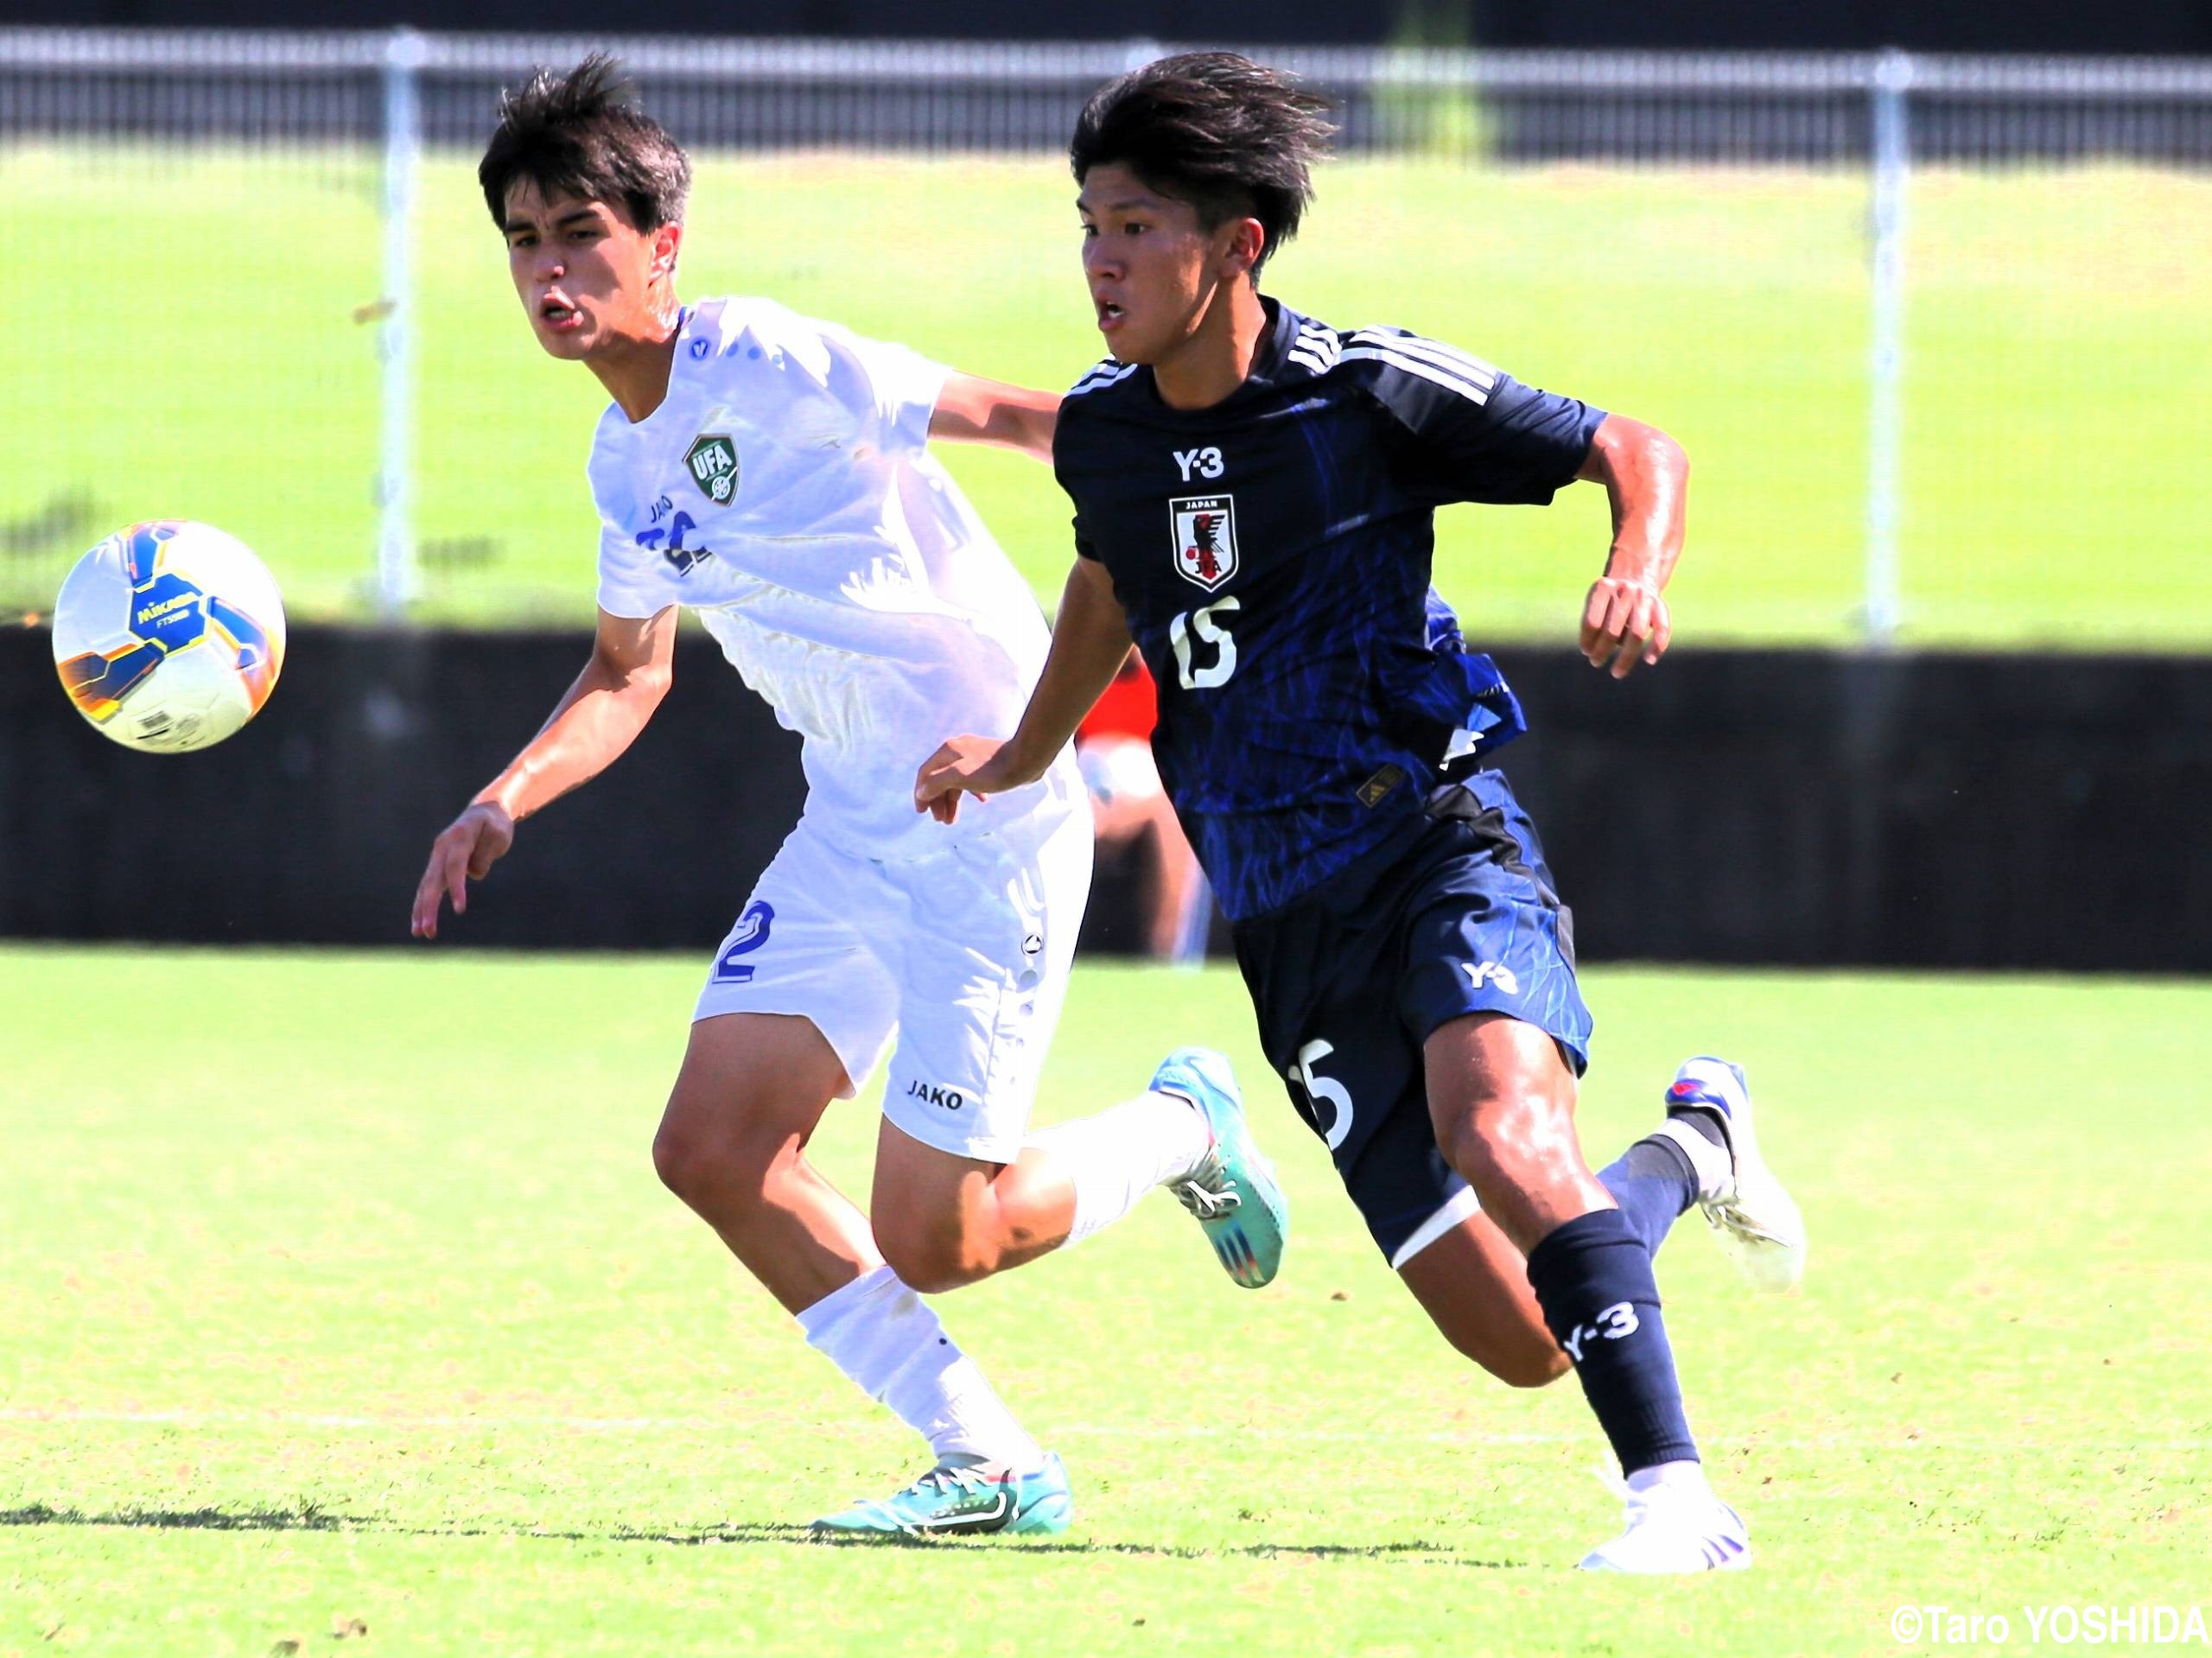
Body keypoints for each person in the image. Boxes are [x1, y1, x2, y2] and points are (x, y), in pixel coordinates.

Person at [915, 52, 1806, 1572]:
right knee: (1526, 1337)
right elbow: (1114, 583)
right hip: (1287, 921)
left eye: (1136, 226)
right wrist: (1020, 749)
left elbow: (1630, 445)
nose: (1103, 260)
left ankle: (1676, 1498)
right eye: (1089, 225)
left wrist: (1635, 562)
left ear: (1237, 244)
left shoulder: (1363, 388)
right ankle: (1691, 1149)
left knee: (1507, 1128)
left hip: (1435, 839)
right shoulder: (1104, 431)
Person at [408, 55, 1288, 1539]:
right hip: (851, 821)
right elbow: (629, 674)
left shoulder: (768, 357)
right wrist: (501, 797)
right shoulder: (620, 469)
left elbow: (1017, 416)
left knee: (948, 1230)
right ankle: (991, 1461)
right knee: (711, 1150)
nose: (549, 271)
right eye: (522, 240)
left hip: (991, 805)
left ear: (662, 247)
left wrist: (1212, 481)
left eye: (580, 234)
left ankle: (1183, 1128)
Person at [1076, 650, 1208, 959]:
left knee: (1176, 828)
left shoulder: (1166, 684)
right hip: (1092, 797)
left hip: (1152, 799)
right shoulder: (1081, 681)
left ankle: (1167, 954)